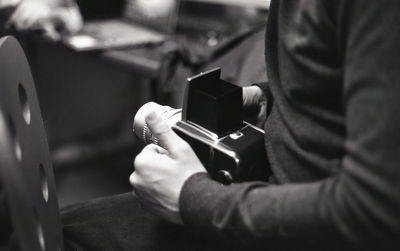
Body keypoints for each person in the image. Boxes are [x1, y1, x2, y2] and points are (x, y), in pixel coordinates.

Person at [61, 0, 400, 250]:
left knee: (60, 237)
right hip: (273, 195)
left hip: (307, 229)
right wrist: (269, 99)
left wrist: (192, 198)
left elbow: (372, 210)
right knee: (65, 226)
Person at [0, 0, 82, 40]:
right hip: (16, 44)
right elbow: (9, 11)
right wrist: (46, 18)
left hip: (55, 51)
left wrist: (63, 17)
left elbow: (76, 18)